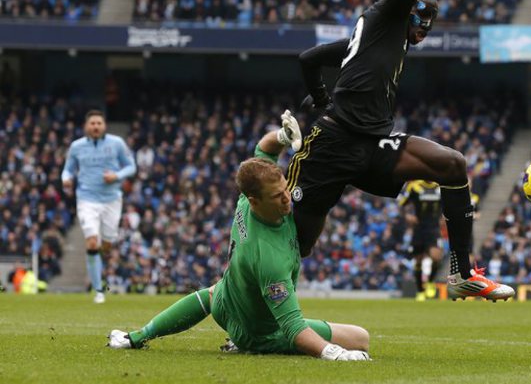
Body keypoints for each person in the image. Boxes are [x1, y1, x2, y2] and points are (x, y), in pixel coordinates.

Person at [291, 0, 513, 301]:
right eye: (422, 15)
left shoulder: (380, 39)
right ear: (406, 7)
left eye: (432, 19)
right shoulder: (384, 15)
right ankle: (244, 300)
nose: (426, 25)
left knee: (452, 164)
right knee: (297, 242)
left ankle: (462, 274)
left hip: (373, 143)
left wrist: (321, 97)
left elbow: (311, 59)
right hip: (333, 144)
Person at [109, 112, 371, 361]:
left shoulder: (248, 199)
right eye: (277, 196)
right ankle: (243, 342)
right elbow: (293, 328)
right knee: (361, 338)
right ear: (256, 201)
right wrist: (335, 353)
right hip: (258, 333)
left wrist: (282, 136)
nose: (286, 198)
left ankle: (135, 337)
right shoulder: (269, 257)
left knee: (212, 292)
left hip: (224, 305)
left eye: (285, 189)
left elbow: (264, 149)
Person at [62, 110, 137, 304]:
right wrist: (66, 179)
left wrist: (116, 176)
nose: (95, 126)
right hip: (87, 199)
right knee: (92, 242)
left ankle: (99, 263)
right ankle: (98, 291)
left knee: (107, 244)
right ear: (86, 126)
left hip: (112, 200)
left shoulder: (117, 143)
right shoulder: (76, 146)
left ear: (104, 126)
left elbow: (131, 166)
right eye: (92, 123)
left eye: (99, 123)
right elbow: (67, 170)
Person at [399, 180, 444, 301]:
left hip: (434, 228)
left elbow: (449, 203)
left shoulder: (440, 186)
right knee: (418, 260)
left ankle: (430, 282)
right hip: (419, 227)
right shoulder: (414, 187)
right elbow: (402, 202)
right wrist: (407, 215)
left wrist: (444, 217)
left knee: (436, 257)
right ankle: (420, 291)